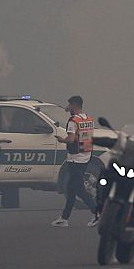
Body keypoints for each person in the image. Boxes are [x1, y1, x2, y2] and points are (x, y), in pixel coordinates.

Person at [53, 95, 99, 227]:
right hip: (86, 156)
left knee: (79, 190)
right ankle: (64, 218)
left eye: (69, 105)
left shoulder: (73, 121)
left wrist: (61, 140)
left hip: (75, 159)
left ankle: (97, 212)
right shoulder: (89, 119)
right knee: (71, 189)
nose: (67, 107)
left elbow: (71, 139)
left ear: (74, 105)